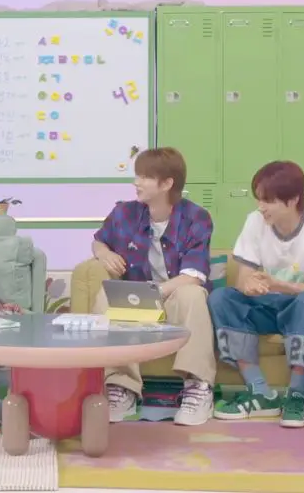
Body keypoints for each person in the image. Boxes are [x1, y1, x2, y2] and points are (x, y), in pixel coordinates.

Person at [90, 147, 216, 426]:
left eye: (145, 177)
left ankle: (198, 387)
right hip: (137, 301)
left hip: (172, 297)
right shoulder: (124, 213)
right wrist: (103, 253)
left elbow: (194, 275)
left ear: (167, 183)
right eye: (137, 175)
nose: (136, 182)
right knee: (106, 295)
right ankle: (120, 386)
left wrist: (156, 292)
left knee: (193, 294)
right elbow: (99, 240)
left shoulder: (196, 217)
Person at [208, 161, 304, 428]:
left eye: (268, 200)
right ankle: (260, 393)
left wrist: (280, 285)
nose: (260, 207)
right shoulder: (255, 222)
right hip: (268, 305)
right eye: (258, 199)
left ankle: (297, 396)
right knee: (221, 298)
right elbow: (243, 279)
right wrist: (250, 285)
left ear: (293, 199)